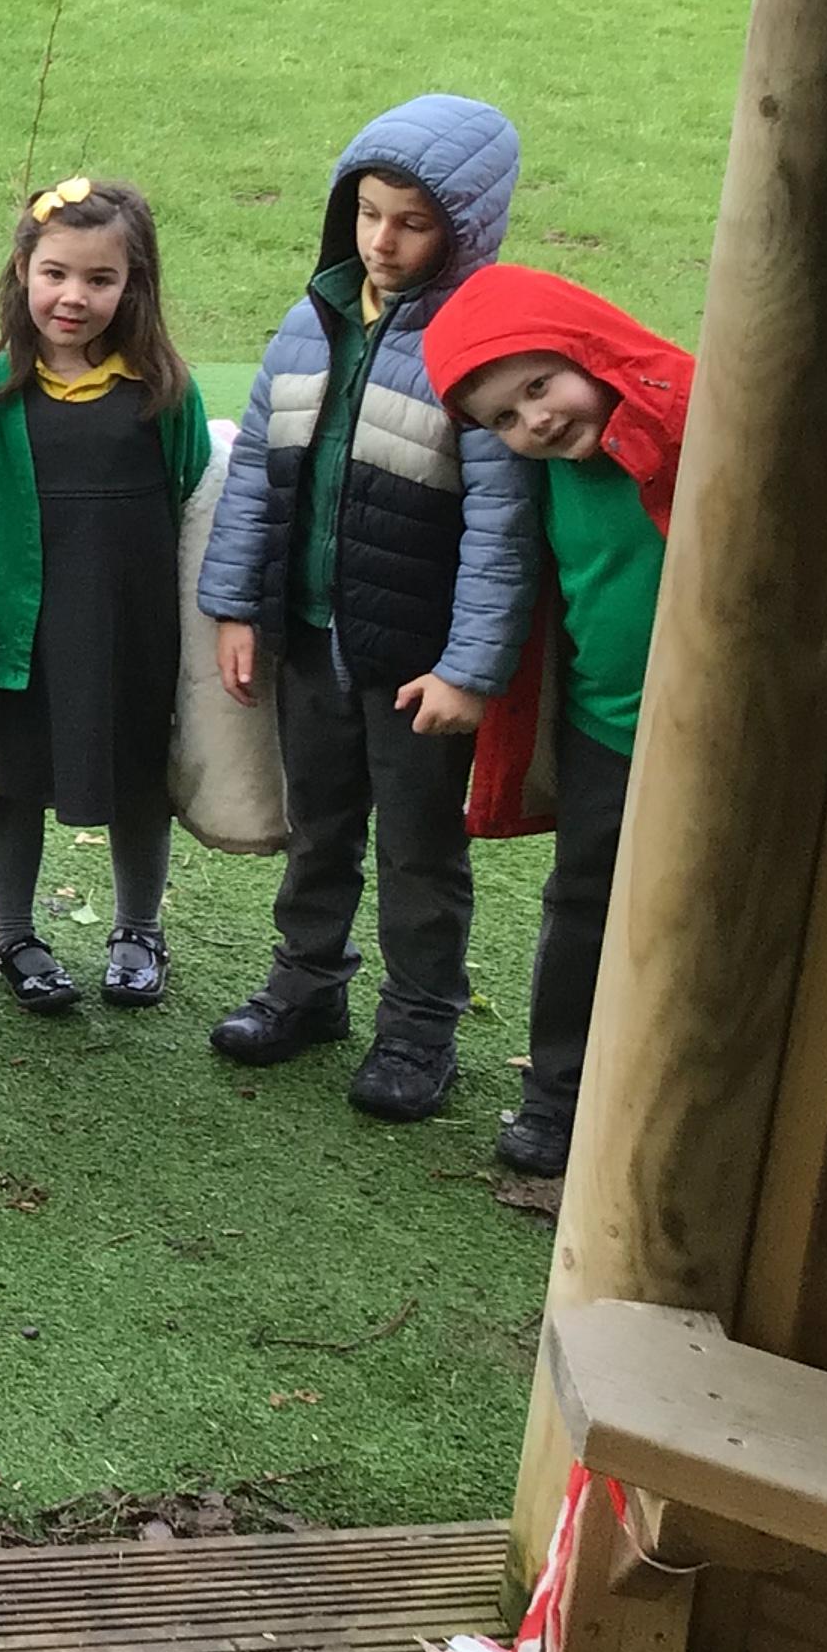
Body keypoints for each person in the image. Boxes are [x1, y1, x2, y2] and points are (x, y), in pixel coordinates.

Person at [199, 96, 535, 1122]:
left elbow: (502, 528)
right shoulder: (311, 323)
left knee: (420, 850)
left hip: (416, 661)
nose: (382, 241)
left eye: (412, 223)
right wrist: (237, 606)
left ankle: (420, 1027)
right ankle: (306, 987)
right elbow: (257, 475)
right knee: (319, 825)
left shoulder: (476, 350)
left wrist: (469, 669)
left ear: (466, 228)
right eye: (368, 213)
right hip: (311, 638)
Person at [426, 268, 682, 1176]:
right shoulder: (545, 477)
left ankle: (696, 1099)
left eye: (540, 385)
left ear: (591, 352)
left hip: (738, 734)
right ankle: (558, 1097)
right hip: (605, 727)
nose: (533, 421)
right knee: (583, 903)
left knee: (729, 911)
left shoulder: (695, 420)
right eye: (504, 416)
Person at [0, 179, 209, 1013]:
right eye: (56, 274)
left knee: (137, 774)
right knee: (17, 778)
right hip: (28, 625)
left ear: (132, 283)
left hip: (133, 624)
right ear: (23, 271)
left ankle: (139, 930)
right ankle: (15, 934)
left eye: (100, 279)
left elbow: (190, 493)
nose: (74, 296)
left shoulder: (162, 389)